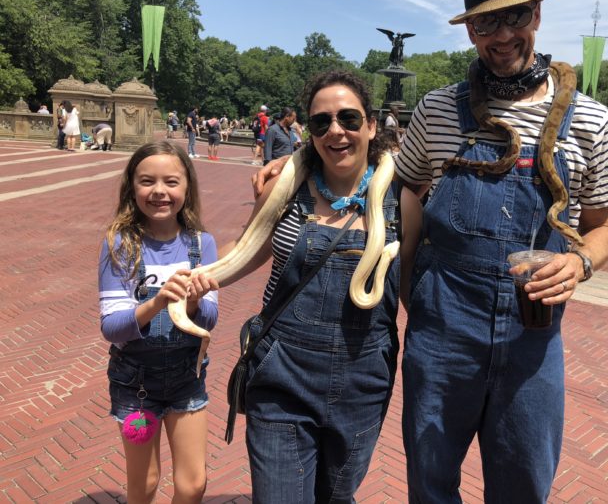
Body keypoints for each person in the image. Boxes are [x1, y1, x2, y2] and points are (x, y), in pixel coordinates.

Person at [253, 0, 608, 501]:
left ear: (536, 18)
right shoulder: (438, 111)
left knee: (523, 485)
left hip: (533, 338)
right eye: (485, 22)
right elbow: (403, 185)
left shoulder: (589, 120)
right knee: (429, 483)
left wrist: (580, 261)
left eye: (515, 16)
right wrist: (303, 161)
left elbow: (603, 226)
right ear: (470, 30)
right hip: (444, 332)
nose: (502, 35)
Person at [222, 70, 421, 502]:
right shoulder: (283, 187)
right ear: (308, 132)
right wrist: (197, 275)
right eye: (320, 122)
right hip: (282, 373)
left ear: (371, 125)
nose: (336, 131)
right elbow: (249, 248)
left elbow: (410, 292)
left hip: (363, 381)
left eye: (349, 119)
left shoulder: (403, 199)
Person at [98, 140, 219, 503]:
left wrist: (195, 302)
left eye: (171, 182)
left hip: (186, 378)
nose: (159, 192)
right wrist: (157, 303)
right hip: (135, 384)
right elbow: (111, 327)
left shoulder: (202, 243)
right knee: (146, 482)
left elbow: (209, 320)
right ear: (132, 187)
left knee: (193, 484)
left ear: (187, 187)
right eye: (147, 181)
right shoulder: (119, 244)